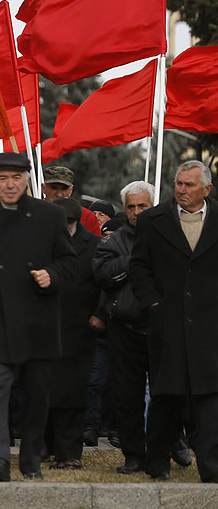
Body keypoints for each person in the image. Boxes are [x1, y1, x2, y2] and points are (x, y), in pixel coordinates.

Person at [0, 152, 76, 482]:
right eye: (3, 178)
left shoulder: (49, 215)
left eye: (17, 178)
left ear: (27, 180)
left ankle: (31, 459)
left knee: (37, 396)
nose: (10, 185)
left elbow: (70, 262)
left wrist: (52, 274)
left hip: (38, 317)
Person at [130, 160, 218, 483]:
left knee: (210, 402)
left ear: (207, 189)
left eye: (189, 185)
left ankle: (212, 470)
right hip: (167, 325)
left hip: (210, 329)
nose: (181, 190)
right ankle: (157, 463)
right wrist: (152, 303)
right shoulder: (153, 221)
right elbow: (138, 268)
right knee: (166, 398)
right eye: (178, 183)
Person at [93, 180, 157, 475]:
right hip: (123, 328)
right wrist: (135, 260)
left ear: (152, 205)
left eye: (142, 206)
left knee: (166, 394)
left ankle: (167, 448)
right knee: (127, 396)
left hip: (159, 328)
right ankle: (134, 455)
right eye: (131, 206)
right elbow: (104, 275)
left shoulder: (167, 238)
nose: (136, 211)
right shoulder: (112, 242)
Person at [44, 197, 101, 470]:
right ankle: (47, 446)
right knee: (44, 389)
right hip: (44, 327)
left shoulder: (94, 245)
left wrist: (99, 314)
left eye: (69, 222)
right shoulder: (41, 241)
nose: (65, 226)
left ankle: (70, 453)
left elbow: (103, 283)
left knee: (75, 393)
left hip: (80, 329)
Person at [41, 166, 102, 235]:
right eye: (54, 188)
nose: (59, 194)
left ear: (71, 190)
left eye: (64, 188)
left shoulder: (87, 217)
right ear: (43, 188)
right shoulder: (34, 212)